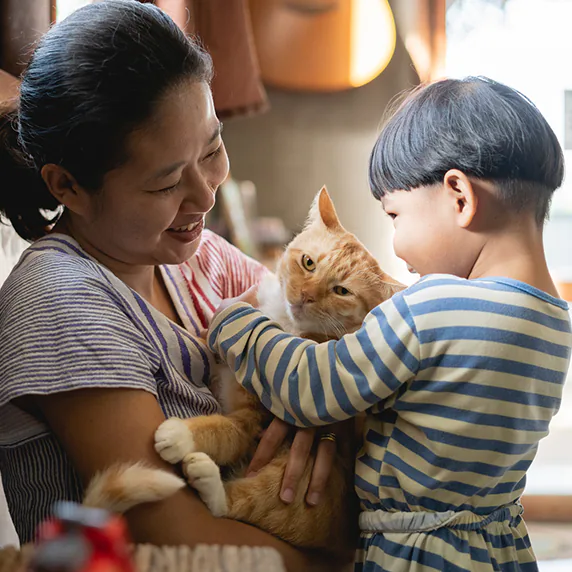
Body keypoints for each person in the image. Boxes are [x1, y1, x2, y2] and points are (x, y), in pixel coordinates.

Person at [0, 2, 340, 569]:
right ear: (68, 187)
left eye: (211, 149)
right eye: (164, 185)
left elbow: (322, 359)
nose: (206, 195)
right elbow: (176, 538)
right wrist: (352, 554)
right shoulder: (60, 300)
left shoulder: (196, 258)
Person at [208, 77, 572, 571]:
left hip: (417, 554)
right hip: (498, 546)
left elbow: (316, 385)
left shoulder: (434, 306)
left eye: (395, 214)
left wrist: (239, 322)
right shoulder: (554, 321)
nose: (395, 246)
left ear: (459, 197)